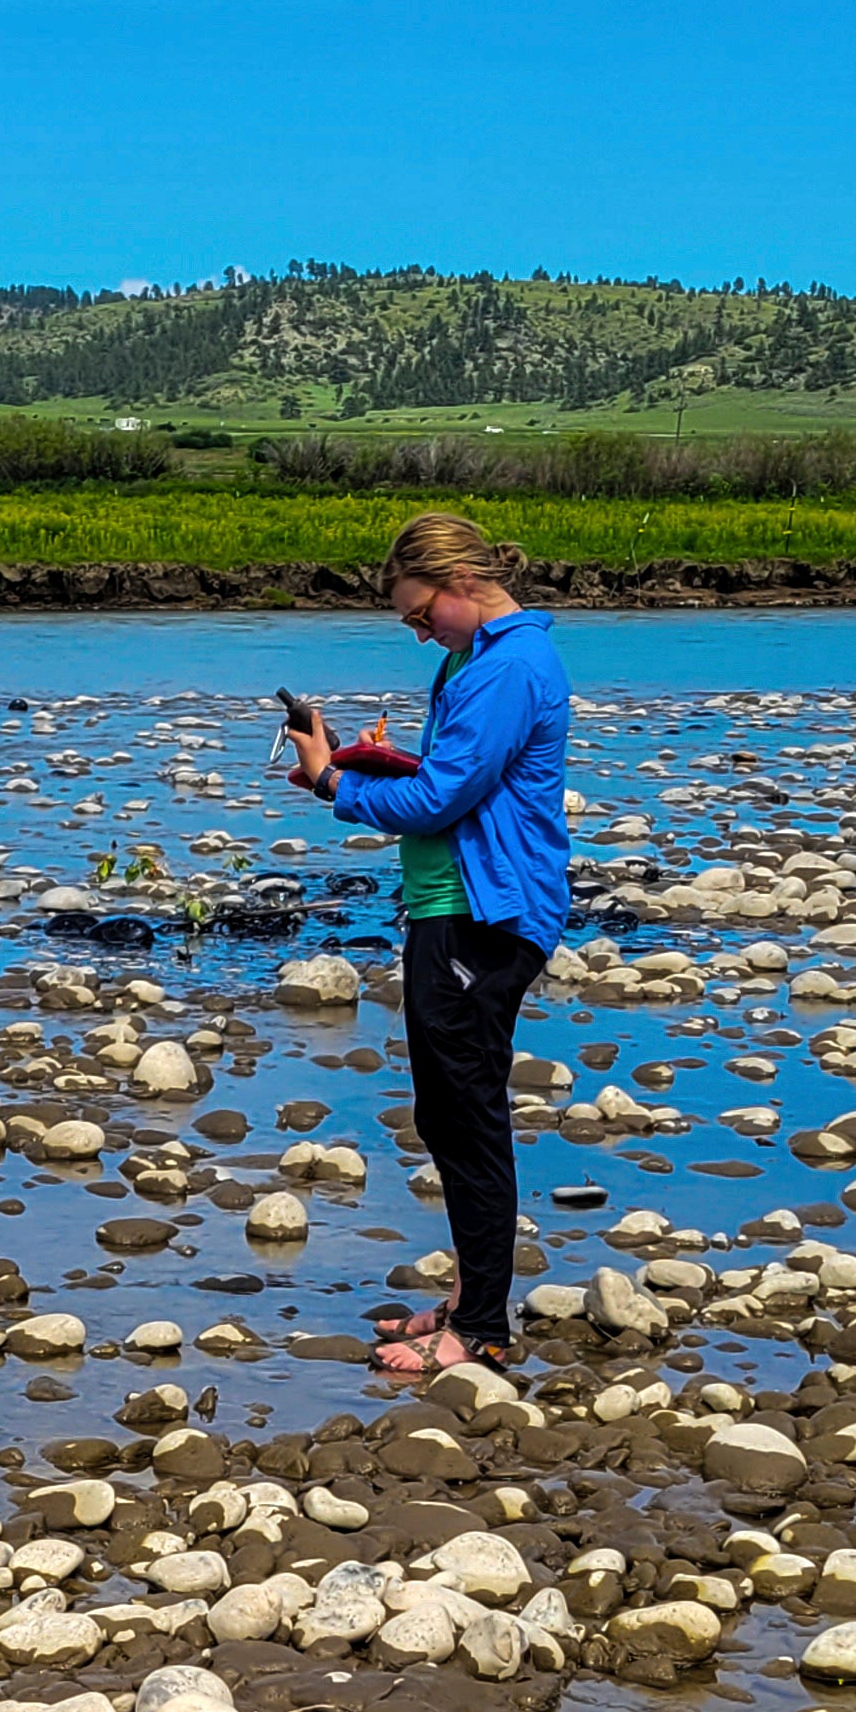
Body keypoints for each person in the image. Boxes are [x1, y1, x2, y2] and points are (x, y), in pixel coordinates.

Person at [281, 509, 570, 1383]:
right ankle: (474, 1298)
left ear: (464, 584)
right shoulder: (474, 657)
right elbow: (461, 781)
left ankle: (482, 1328)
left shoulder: (509, 665)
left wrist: (334, 780)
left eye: (420, 614)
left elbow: (443, 802)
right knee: (447, 1114)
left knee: (469, 1116)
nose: (417, 632)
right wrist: (378, 766)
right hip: (455, 904)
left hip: (483, 915)